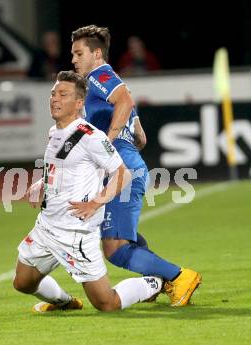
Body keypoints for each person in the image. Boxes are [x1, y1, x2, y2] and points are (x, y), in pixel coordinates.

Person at [70, 25, 201, 306]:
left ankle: (178, 277)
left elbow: (126, 103)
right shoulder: (116, 82)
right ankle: (156, 283)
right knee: (117, 237)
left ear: (96, 53)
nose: (74, 60)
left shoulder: (99, 77)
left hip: (122, 169)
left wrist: (108, 140)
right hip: (129, 163)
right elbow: (140, 136)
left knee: (115, 248)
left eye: (78, 53)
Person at [13, 70, 163, 313]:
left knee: (107, 304)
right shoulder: (56, 132)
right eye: (53, 93)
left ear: (79, 102)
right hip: (47, 227)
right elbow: (61, 166)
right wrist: (42, 183)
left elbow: (122, 174)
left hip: (76, 233)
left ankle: (154, 281)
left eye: (63, 94)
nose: (55, 99)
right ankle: (65, 303)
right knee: (22, 282)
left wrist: (96, 202)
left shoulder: (91, 136)